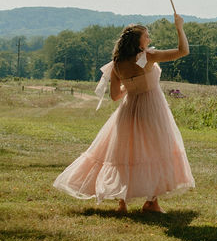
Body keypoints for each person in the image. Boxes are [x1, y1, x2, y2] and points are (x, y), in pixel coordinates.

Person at [53, 15, 194, 213]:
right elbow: (183, 51)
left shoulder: (117, 64)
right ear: (138, 41)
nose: (149, 40)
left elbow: (115, 96)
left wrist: (131, 87)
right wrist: (179, 27)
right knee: (155, 150)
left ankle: (122, 202)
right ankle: (151, 201)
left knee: (125, 153)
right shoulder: (147, 56)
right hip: (152, 108)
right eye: (146, 36)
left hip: (129, 109)